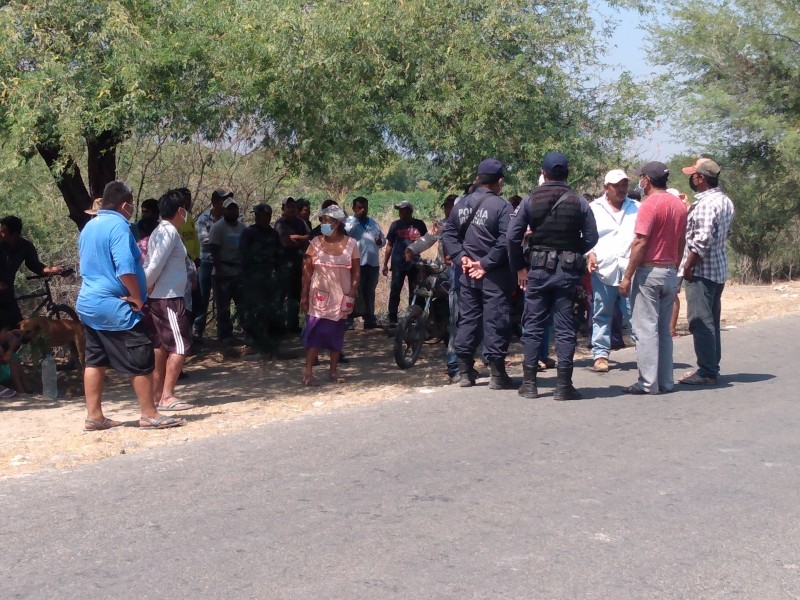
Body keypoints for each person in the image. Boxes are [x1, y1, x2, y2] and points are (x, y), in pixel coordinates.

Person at [75, 181, 183, 430]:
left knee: (95, 360)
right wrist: (137, 296)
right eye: (132, 205)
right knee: (140, 356)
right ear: (125, 205)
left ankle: (94, 416)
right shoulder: (119, 227)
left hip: (89, 303)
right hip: (114, 305)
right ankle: (150, 414)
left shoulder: (89, 227)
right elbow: (125, 267)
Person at [507, 152, 598, 400]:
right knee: (565, 327)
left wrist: (519, 267)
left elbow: (512, 236)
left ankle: (530, 385)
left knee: (534, 325)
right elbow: (592, 237)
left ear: (543, 173)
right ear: (567, 173)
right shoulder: (579, 201)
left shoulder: (529, 200)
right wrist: (571, 250)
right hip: (567, 274)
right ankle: (563, 386)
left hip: (536, 272)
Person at [442, 158, 516, 390]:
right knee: (495, 321)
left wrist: (461, 257)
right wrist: (484, 264)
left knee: (468, 320)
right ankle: (497, 375)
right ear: (500, 181)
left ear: (477, 178)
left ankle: (465, 372)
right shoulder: (502, 206)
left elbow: (448, 235)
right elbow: (507, 240)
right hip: (493, 276)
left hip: (467, 275)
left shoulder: (460, 204)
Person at [619, 161, 688, 395]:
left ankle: (648, 382)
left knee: (646, 329)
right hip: (669, 270)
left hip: (649, 272)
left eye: (641, 177)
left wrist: (628, 275)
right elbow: (681, 240)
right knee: (663, 330)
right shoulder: (678, 204)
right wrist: (675, 265)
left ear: (647, 179)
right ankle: (666, 381)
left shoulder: (649, 205)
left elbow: (641, 241)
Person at [677, 158, 735, 385]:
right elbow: (724, 234)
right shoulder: (725, 201)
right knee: (711, 320)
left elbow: (701, 241)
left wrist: (689, 266)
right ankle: (711, 366)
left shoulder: (707, 204)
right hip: (717, 267)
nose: (691, 178)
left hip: (702, 270)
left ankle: (707, 371)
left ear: (700, 178)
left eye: (693, 175)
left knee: (700, 320)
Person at [144, 190, 194, 412]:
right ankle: (167, 396)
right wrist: (146, 286)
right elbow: (154, 264)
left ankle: (157, 395)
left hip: (163, 297)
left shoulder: (161, 231)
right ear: (180, 210)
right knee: (180, 345)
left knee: (162, 346)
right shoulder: (168, 232)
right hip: (169, 298)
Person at [300, 205, 360, 386]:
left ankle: (333, 371)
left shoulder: (351, 244)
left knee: (336, 333)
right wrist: (303, 294)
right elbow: (307, 271)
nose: (324, 224)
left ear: (338, 223)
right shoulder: (315, 243)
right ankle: (308, 373)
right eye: (322, 220)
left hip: (342, 296)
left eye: (327, 220)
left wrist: (353, 290)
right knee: (314, 333)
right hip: (319, 297)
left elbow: (356, 271)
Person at [586, 169, 639, 373]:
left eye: (624, 185)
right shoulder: (593, 208)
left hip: (629, 271)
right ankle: (600, 354)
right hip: (603, 269)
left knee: (634, 314)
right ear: (606, 188)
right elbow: (585, 235)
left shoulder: (637, 208)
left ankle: (644, 352)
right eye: (617, 185)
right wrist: (589, 254)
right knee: (601, 313)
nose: (622, 189)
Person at [407, 194, 460, 382]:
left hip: (459, 271)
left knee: (457, 313)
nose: (449, 209)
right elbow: (427, 239)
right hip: (442, 271)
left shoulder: (465, 223)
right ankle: (420, 324)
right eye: (447, 206)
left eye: (452, 205)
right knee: (422, 288)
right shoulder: (442, 224)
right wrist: (412, 249)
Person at [0, 215, 67, 330]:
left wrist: (51, 270)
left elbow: (34, 265)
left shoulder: (25, 246)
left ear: (14, 233)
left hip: (7, 294)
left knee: (17, 330)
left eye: (3, 231)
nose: (0, 233)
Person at [239, 203, 282, 347]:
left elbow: (278, 255)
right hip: (252, 277)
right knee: (251, 307)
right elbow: (243, 255)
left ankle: (267, 335)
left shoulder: (273, 234)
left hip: (268, 276)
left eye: (260, 215)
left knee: (268, 307)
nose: (257, 217)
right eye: (256, 215)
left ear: (268, 216)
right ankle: (250, 336)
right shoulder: (248, 232)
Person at [383, 201, 428, 329]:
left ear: (410, 210)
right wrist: (385, 263)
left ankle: (413, 318)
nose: (400, 212)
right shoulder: (395, 225)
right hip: (398, 263)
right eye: (399, 210)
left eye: (403, 209)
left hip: (415, 264)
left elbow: (426, 241)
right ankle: (392, 319)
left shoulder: (419, 224)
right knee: (395, 291)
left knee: (415, 292)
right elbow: (389, 245)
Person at [193, 189, 230, 341]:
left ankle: (224, 332)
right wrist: (222, 242)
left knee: (223, 297)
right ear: (215, 202)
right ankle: (197, 331)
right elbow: (205, 241)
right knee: (203, 296)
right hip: (207, 262)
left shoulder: (230, 219)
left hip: (223, 263)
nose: (226, 203)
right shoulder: (204, 219)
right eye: (223, 200)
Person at [208, 197, 246, 343]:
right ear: (224, 210)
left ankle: (246, 331)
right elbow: (214, 250)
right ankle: (224, 335)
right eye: (229, 208)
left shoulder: (242, 228)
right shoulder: (217, 227)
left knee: (242, 303)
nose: (233, 211)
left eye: (235, 208)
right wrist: (219, 272)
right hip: (222, 270)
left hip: (238, 270)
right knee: (223, 305)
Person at [345, 196, 385, 330]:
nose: (363, 210)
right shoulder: (349, 222)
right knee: (355, 291)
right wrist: (355, 219)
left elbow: (383, 239)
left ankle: (369, 319)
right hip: (356, 263)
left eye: (365, 207)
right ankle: (349, 319)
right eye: (359, 208)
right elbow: (347, 234)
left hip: (372, 263)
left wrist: (381, 242)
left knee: (370, 291)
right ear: (353, 208)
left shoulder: (373, 223)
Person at [275, 197, 311, 333]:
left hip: (299, 264)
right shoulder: (280, 223)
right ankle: (277, 327)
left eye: (293, 207)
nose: (291, 209)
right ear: (283, 209)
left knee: (295, 296)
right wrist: (300, 239)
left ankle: (292, 326)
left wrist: (295, 237)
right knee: (280, 296)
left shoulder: (301, 222)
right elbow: (285, 241)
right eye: (288, 207)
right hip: (283, 265)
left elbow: (309, 237)